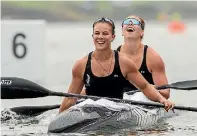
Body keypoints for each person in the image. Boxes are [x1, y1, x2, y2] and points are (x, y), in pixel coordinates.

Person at [59, 17, 174, 113]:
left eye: (105, 33)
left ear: (113, 37)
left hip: (116, 111)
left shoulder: (124, 63)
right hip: (90, 110)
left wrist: (163, 101)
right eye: (97, 33)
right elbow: (70, 99)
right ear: (92, 36)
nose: (100, 37)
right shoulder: (81, 65)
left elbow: (145, 87)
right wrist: (57, 119)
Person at [117, 15, 170, 99]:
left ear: (142, 32)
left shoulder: (153, 58)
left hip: (145, 103)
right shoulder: (112, 57)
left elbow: (165, 93)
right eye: (126, 22)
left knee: (138, 97)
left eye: (134, 22)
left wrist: (150, 88)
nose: (130, 23)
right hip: (120, 103)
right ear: (122, 32)